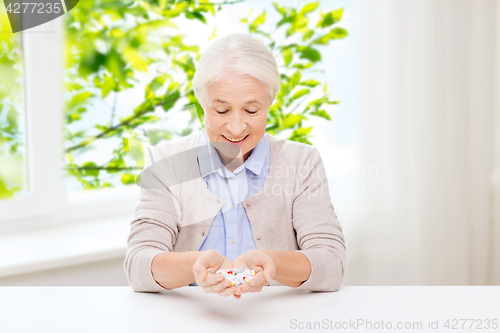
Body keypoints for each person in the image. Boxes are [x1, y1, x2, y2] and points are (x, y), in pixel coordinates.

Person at [123, 33, 346, 299]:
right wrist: (192, 267)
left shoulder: (301, 162)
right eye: (222, 111)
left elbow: (332, 265)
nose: (237, 127)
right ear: (202, 102)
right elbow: (137, 266)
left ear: (271, 100)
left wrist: (273, 263)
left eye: (252, 111)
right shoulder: (166, 164)